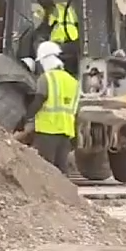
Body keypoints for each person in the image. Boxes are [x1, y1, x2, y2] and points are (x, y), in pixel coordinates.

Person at [28, 40, 80, 173]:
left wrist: (26, 118)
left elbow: (39, 100)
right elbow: (75, 110)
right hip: (66, 132)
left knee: (46, 170)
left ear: (45, 60)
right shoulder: (73, 81)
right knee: (61, 169)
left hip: (47, 131)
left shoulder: (46, 78)